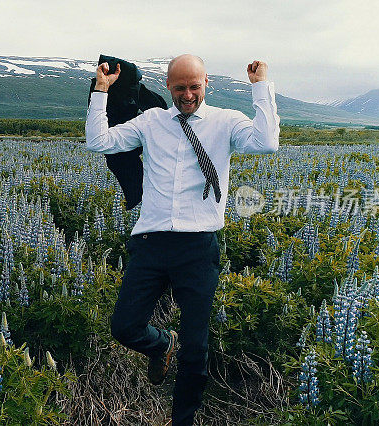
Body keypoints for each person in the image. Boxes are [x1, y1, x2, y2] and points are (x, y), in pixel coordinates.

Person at [85, 54, 280, 425]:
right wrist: (101, 91)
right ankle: (161, 344)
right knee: (124, 327)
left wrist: (260, 88)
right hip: (151, 241)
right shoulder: (152, 121)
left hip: (198, 246)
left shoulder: (226, 121)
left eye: (194, 86)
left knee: (196, 349)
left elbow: (267, 142)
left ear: (207, 83)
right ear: (169, 86)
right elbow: (99, 142)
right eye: (179, 87)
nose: (187, 94)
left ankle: (182, 420)